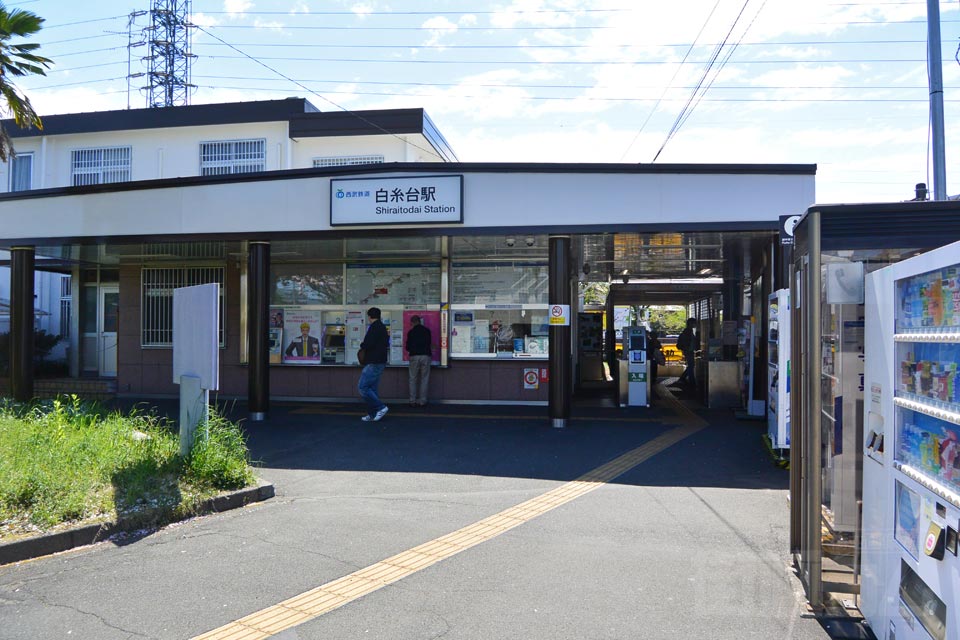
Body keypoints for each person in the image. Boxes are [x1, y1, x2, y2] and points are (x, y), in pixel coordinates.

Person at [358, 307, 389, 422]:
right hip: (380, 361)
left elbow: (368, 343)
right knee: (372, 388)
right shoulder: (382, 327)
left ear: (370, 317)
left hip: (373, 362)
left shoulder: (374, 327)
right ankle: (372, 414)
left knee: (362, 387)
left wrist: (362, 345)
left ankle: (381, 407)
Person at [405, 315, 432, 407]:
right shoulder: (427, 331)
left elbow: (407, 347)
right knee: (424, 378)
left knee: (412, 378)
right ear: (419, 321)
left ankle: (412, 400)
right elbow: (429, 343)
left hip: (414, 356)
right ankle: (422, 401)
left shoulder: (411, 332)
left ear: (412, 322)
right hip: (425, 356)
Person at [676, 317, 699, 389]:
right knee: (691, 366)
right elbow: (688, 342)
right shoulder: (688, 332)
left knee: (691, 366)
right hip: (688, 351)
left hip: (688, 350)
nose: (696, 324)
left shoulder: (689, 331)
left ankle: (684, 378)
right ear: (690, 323)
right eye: (694, 323)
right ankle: (691, 382)